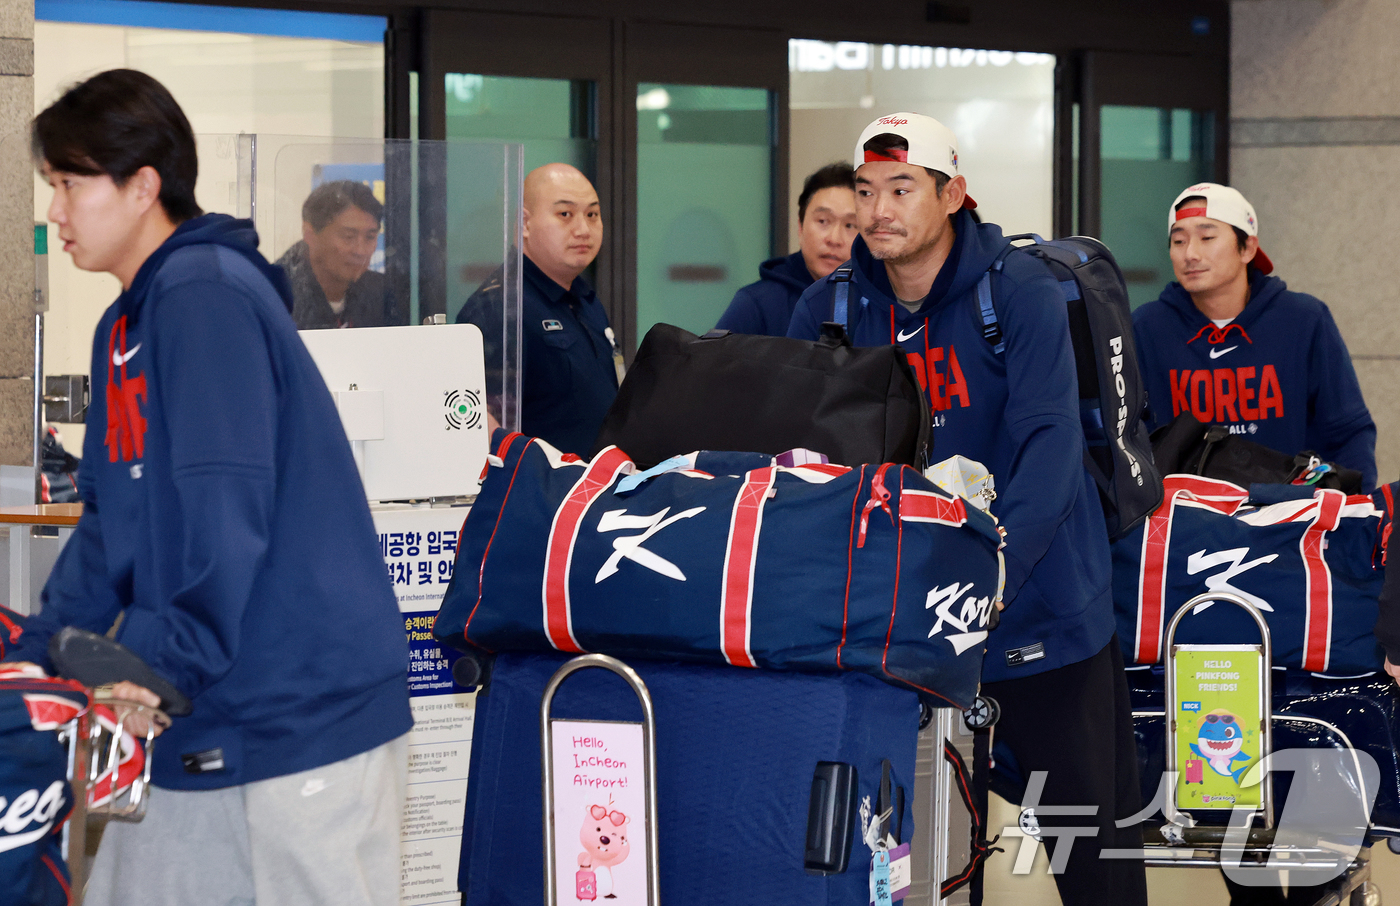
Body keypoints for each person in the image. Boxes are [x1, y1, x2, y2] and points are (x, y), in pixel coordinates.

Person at [9, 69, 412, 906]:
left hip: (298, 715)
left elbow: (225, 516)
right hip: (197, 710)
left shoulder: (204, 297)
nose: (55, 211)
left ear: (142, 184)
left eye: (69, 184)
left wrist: (154, 666)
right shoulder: (129, 321)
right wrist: (32, 655)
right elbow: (111, 526)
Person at [787, 113, 1147, 905]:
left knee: (1090, 854)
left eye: (902, 189)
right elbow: (800, 463)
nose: (878, 210)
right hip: (900, 630)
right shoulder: (830, 309)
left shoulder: (1015, 292)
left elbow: (1050, 446)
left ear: (952, 194)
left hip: (1039, 619)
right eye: (866, 190)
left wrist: (997, 576)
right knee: (922, 857)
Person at [1134, 183, 1376, 490]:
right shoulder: (1146, 327)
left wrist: (1355, 516)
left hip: (1288, 520)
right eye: (1178, 241)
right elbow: (1127, 437)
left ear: (1248, 248)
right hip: (1185, 521)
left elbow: (1348, 431)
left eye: (1207, 238)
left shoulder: (1303, 320)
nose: (1190, 254)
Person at [456, 162, 620, 457]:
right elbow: (481, 430)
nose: (583, 229)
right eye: (565, 214)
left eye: (592, 215)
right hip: (542, 495)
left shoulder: (585, 300)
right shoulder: (502, 308)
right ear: (525, 223)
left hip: (596, 491)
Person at [714, 162, 857, 335]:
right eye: (823, 221)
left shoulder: (875, 304)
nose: (834, 239)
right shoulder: (755, 304)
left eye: (850, 225)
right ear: (800, 226)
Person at [278, 179, 392, 329]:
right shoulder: (276, 294)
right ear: (310, 234)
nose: (360, 251)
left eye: (370, 237)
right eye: (348, 237)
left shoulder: (382, 295)